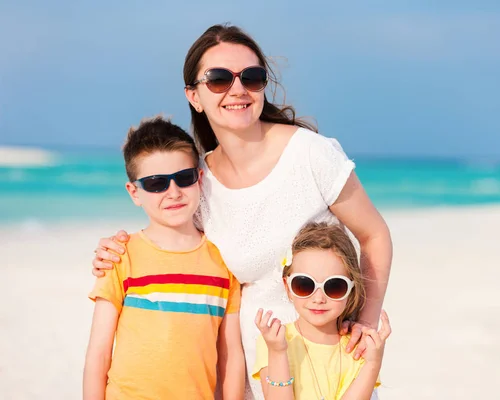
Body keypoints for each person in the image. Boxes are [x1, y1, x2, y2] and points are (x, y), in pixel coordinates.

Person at [91, 24, 393, 399]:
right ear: (194, 96)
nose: (237, 89)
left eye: (251, 77)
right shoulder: (199, 182)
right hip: (251, 378)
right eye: (218, 79)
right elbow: (173, 242)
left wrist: (365, 321)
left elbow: (374, 234)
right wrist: (116, 248)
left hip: (330, 374)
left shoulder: (311, 154)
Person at [83, 117, 245, 399]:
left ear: (199, 178)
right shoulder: (121, 257)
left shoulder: (223, 262)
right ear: (135, 192)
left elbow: (230, 357)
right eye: (156, 183)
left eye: (184, 178)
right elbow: (98, 355)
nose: (173, 192)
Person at [254, 222, 391, 400]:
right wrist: (278, 352)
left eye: (334, 286)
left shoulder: (358, 347)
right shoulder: (274, 341)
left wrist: (373, 363)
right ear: (288, 287)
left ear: (351, 290)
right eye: (304, 285)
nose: (318, 298)